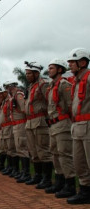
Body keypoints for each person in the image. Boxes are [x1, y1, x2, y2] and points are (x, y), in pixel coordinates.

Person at [45, 59, 76, 198]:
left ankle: (70, 185)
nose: (49, 70)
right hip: (53, 125)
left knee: (65, 154)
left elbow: (71, 105)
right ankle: (60, 181)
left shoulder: (64, 85)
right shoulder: (51, 86)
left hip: (63, 124)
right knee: (55, 154)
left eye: (52, 68)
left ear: (59, 69)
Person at [66, 48, 90, 204]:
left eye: (72, 63)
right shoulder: (76, 81)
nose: (70, 66)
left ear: (82, 62)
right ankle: (85, 191)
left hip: (88, 125)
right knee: (79, 162)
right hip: (77, 126)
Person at [24, 61, 53, 189]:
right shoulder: (31, 86)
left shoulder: (43, 84)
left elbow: (50, 101)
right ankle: (38, 176)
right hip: (30, 122)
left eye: (29, 73)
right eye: (26, 73)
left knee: (43, 151)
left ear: (36, 73)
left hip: (40, 121)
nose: (27, 75)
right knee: (33, 151)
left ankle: (47, 179)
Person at [3, 80, 31, 183]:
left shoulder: (18, 95)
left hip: (20, 124)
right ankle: (22, 171)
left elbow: (24, 109)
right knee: (18, 148)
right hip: (16, 124)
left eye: (8, 87)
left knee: (22, 147)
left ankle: (26, 173)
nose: (7, 90)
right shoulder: (12, 97)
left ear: (12, 87)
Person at [0, 85, 18, 177]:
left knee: (11, 148)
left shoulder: (10, 101)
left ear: (5, 93)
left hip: (9, 126)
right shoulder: (3, 102)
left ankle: (14, 169)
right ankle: (9, 167)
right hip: (4, 127)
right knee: (6, 148)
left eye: (0, 93)